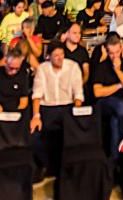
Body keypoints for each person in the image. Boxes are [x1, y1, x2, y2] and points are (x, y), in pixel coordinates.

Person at [30, 42, 84, 175]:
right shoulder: (43, 68)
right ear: (49, 57)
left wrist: (75, 113)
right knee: (34, 134)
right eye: (56, 56)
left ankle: (68, 167)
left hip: (68, 107)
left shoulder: (73, 66)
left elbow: (78, 93)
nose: (60, 58)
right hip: (47, 107)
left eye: (62, 55)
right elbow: (37, 94)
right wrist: (36, 116)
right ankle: (44, 165)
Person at [93, 34, 123, 164]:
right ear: (106, 51)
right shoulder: (101, 67)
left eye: (117, 52)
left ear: (121, 48)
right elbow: (97, 92)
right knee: (119, 107)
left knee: (116, 120)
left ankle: (115, 159)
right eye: (111, 53)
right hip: (106, 103)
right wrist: (120, 84)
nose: (114, 56)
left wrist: (118, 70)